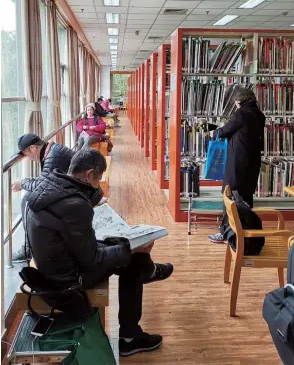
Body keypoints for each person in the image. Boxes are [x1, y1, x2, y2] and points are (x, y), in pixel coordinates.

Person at [25, 149, 173, 356]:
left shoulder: (48, 187)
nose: (98, 185)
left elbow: (73, 236)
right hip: (68, 281)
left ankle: (147, 270)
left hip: (51, 267)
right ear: (89, 174)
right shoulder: (76, 206)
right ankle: (130, 337)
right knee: (133, 259)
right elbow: (93, 261)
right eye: (98, 180)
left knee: (120, 244)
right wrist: (132, 249)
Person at [205, 88, 265, 243]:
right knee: (245, 198)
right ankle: (243, 231)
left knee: (229, 196)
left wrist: (212, 132)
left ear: (240, 101)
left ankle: (226, 232)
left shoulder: (242, 114)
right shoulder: (259, 115)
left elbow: (224, 132)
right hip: (253, 163)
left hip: (238, 163)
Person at [11, 133, 75, 262]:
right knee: (31, 198)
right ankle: (33, 245)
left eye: (27, 155)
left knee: (28, 200)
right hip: (75, 190)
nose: (29, 159)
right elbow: (46, 181)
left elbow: (43, 185)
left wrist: (22, 183)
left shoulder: (53, 157)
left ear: (33, 148)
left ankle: (29, 249)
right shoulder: (52, 150)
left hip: (78, 196)